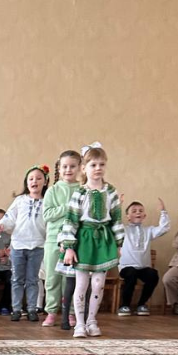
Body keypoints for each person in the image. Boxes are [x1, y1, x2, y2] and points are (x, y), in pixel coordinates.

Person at [59, 142, 124, 338]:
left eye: (101, 165)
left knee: (98, 283)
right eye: (93, 165)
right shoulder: (80, 193)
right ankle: (79, 323)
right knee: (81, 284)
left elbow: (116, 218)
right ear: (84, 168)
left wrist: (118, 243)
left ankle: (92, 320)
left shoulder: (111, 192)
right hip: (84, 241)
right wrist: (69, 247)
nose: (98, 169)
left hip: (103, 240)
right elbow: (70, 220)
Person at [0, 165, 49, 322]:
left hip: (38, 246)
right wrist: (2, 225)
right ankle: (17, 309)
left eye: (39, 178)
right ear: (26, 183)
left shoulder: (47, 202)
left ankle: (32, 309)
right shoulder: (20, 201)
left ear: (45, 182)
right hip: (19, 246)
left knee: (33, 279)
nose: (35, 181)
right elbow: (9, 217)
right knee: (17, 279)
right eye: (31, 179)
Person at [42, 150, 81, 328]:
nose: (68, 170)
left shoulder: (82, 190)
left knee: (71, 279)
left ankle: (71, 312)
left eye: (72, 166)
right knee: (52, 278)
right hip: (52, 240)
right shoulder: (52, 190)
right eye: (64, 166)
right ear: (59, 168)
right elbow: (47, 215)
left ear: (79, 168)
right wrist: (68, 208)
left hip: (74, 241)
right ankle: (51, 312)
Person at [117, 199, 170, 316]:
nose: (138, 213)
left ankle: (141, 304)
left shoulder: (148, 231)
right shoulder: (123, 230)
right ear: (128, 216)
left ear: (144, 215)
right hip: (127, 267)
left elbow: (164, 228)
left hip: (143, 268)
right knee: (131, 275)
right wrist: (117, 206)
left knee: (153, 274)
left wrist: (163, 211)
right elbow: (114, 224)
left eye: (140, 211)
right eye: (134, 211)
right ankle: (124, 305)